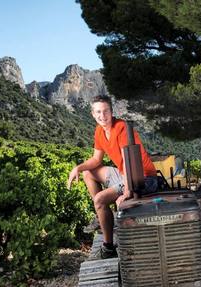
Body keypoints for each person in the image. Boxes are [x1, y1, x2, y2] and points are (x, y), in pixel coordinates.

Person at [67, 95, 158, 259]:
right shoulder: (99, 131)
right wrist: (77, 168)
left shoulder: (121, 128)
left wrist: (127, 192)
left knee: (100, 199)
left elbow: (130, 163)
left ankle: (108, 247)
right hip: (124, 174)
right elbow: (96, 160)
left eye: (106, 111)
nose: (103, 116)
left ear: (111, 111)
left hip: (142, 177)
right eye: (98, 112)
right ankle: (102, 213)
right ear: (93, 114)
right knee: (88, 173)